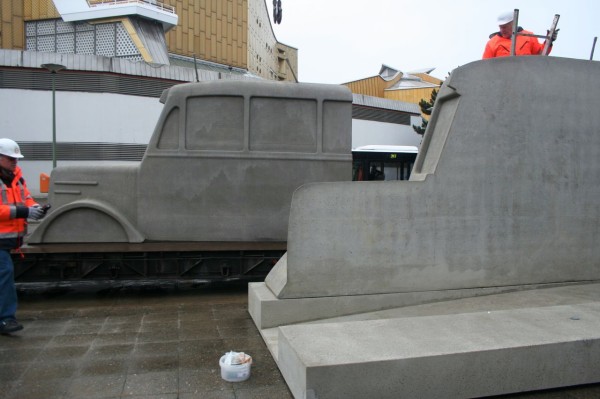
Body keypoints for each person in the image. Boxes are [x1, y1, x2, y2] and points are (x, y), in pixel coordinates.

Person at [0, 138, 46, 334]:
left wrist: (34, 207)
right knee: (5, 275)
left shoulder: (16, 177)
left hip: (9, 240)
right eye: (10, 158)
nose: (14, 162)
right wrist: (23, 212)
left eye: (16, 159)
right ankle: (5, 319)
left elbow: (25, 197)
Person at [483, 11, 558, 59]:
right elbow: (485, 66)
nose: (502, 30)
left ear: (513, 23)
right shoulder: (492, 43)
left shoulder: (528, 36)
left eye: (505, 27)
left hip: (526, 78)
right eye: (500, 27)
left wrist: (549, 41)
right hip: (503, 81)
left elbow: (540, 55)